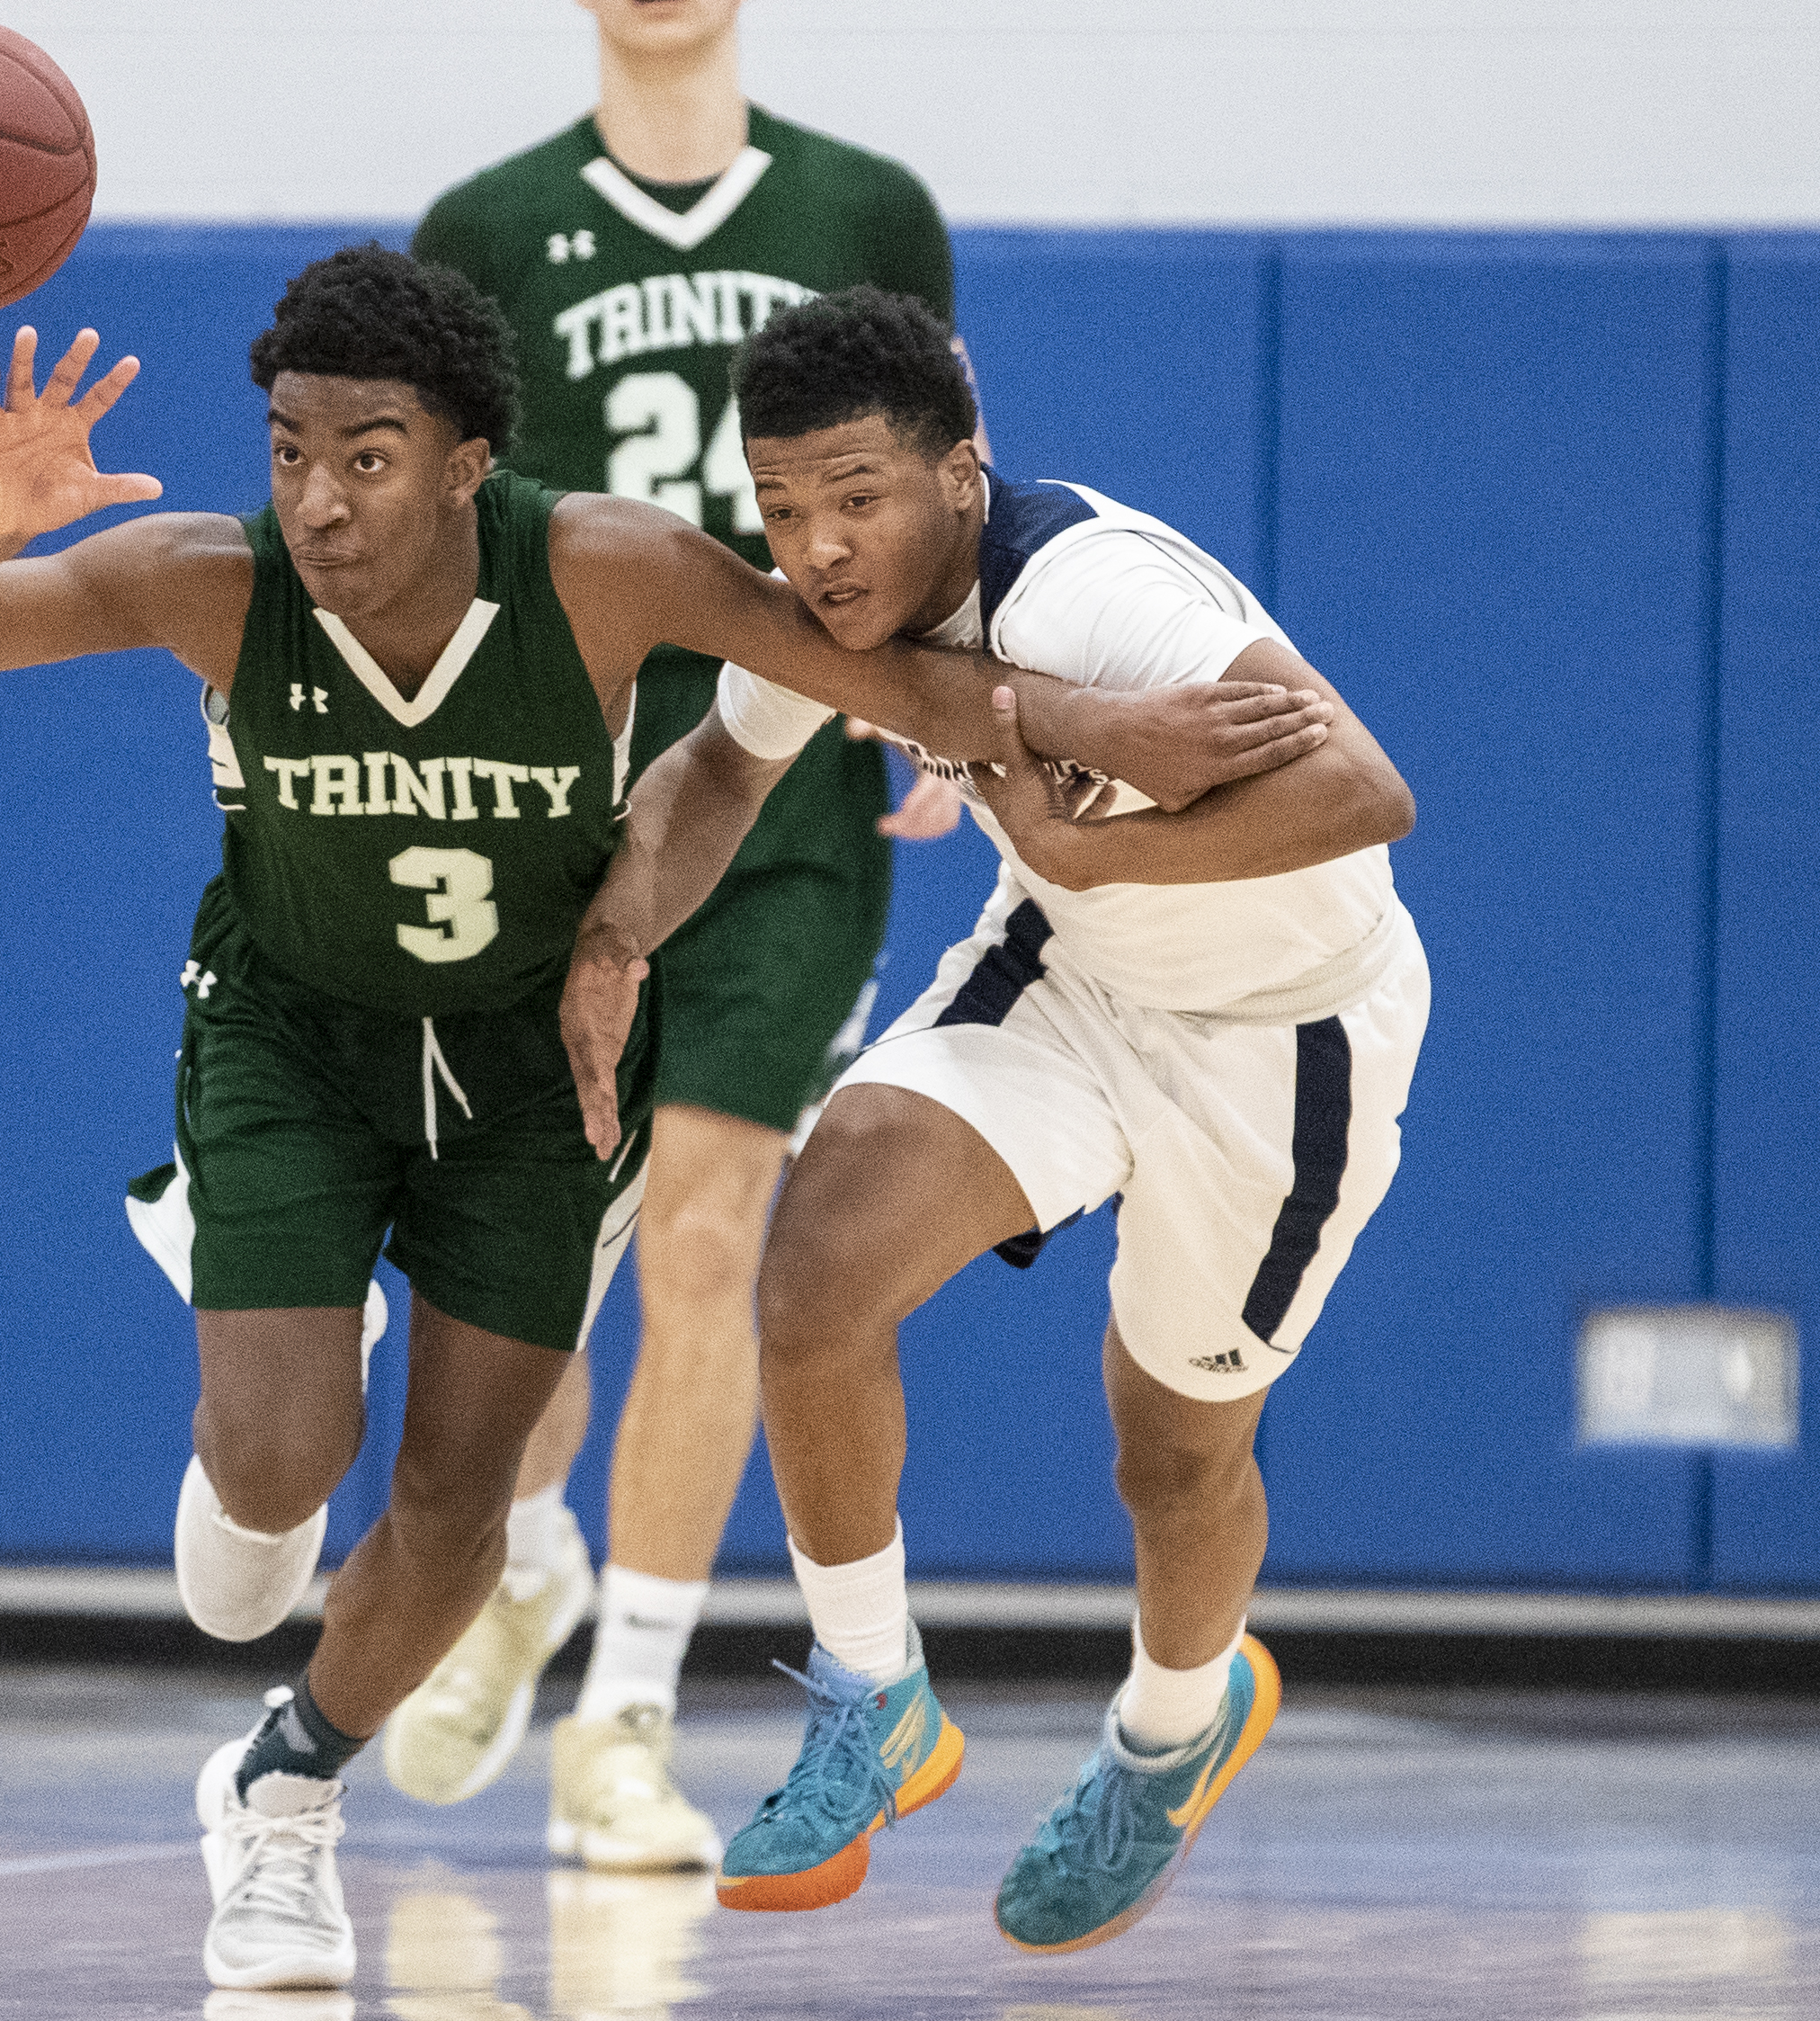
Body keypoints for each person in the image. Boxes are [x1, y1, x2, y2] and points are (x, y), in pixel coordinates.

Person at [0, 247, 1328, 1990]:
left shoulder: (598, 566)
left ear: (466, 461)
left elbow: (876, 687)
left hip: (537, 1071)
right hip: (296, 1041)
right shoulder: (206, 584)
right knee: (273, 1479)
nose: (315, 495)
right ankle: (278, 1398)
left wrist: (1100, 724)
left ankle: (284, 1791)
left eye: (365, 453)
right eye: (290, 447)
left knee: (462, 1501)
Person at [558, 285, 1424, 1953]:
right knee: (813, 1268)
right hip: (1067, 981)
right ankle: (875, 1699)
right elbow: (721, 773)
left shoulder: (1100, 594)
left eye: (856, 498)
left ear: (963, 469)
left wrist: (1105, 849)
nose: (817, 547)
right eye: (785, 506)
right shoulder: (846, 618)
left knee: (1171, 1456)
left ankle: (1171, 1734)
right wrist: (612, 937)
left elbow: (1361, 793)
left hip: (1282, 1032)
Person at [390, 0, 977, 1869]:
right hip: (558, 813)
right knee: (541, 1236)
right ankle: (530, 1559)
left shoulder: (867, 203)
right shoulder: (478, 228)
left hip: (789, 807)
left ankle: (625, 1714)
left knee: (718, 1229)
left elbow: (948, 478)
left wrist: (952, 689)